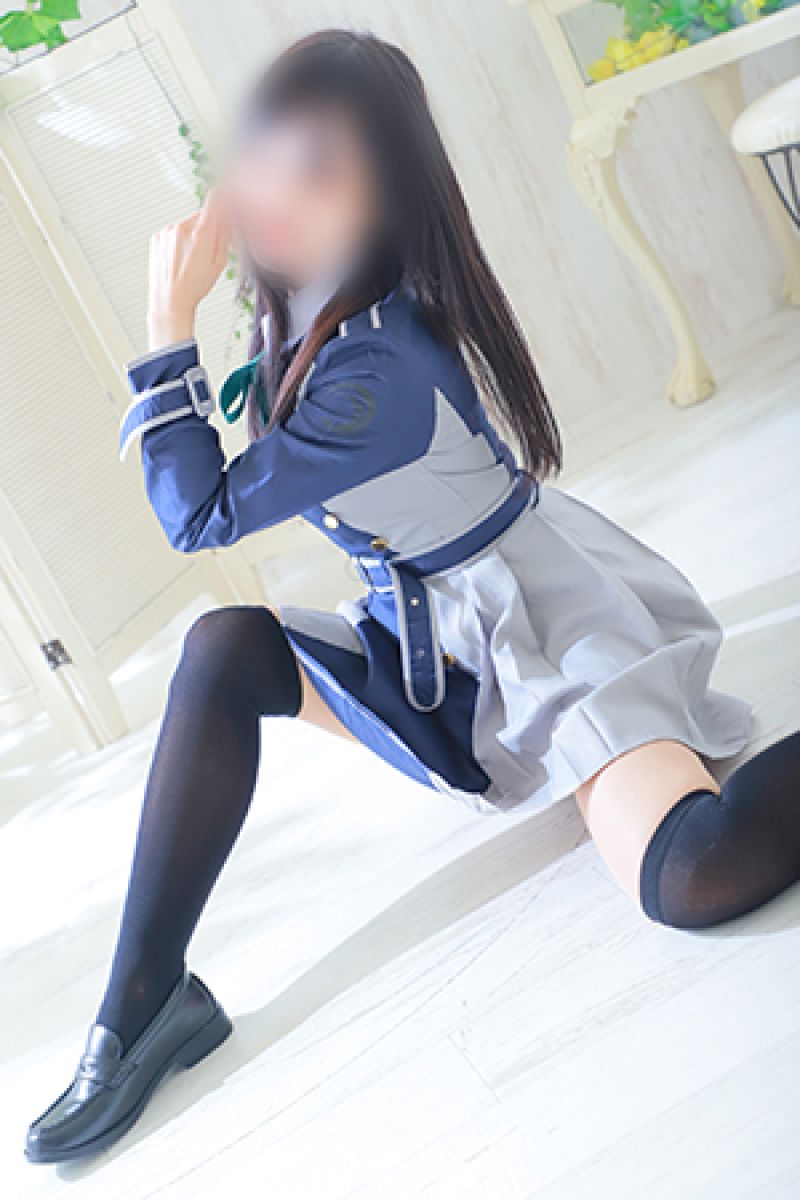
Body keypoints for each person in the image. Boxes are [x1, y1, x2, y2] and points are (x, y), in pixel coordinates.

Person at [26, 30, 800, 1165]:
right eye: (268, 155)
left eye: (319, 171)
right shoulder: (309, 313)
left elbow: (200, 515)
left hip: (539, 630)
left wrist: (162, 332)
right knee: (222, 648)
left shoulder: (380, 370)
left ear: (385, 201)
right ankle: (143, 1002)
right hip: (427, 639)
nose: (277, 191)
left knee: (691, 871)